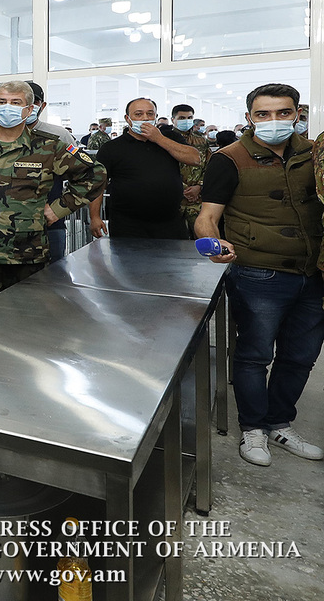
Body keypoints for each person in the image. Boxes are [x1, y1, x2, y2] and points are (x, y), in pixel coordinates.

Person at [197, 83, 324, 467]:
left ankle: (279, 423)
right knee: (254, 355)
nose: (274, 121)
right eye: (263, 114)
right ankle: (253, 427)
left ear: (297, 114)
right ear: (249, 117)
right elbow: (207, 217)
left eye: (283, 113)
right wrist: (215, 245)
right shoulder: (229, 158)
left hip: (313, 272)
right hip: (259, 275)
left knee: (300, 357)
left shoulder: (314, 154)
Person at [0, 80, 105, 306]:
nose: (7, 107)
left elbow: (95, 174)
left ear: (30, 109)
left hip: (28, 256)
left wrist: (58, 209)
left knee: (31, 316)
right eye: (2, 102)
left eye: (15, 102)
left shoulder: (49, 147)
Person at [89, 98, 200, 240]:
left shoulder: (171, 138)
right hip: (127, 224)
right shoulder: (112, 148)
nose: (145, 118)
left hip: (170, 221)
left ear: (156, 116)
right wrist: (95, 216)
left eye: (150, 114)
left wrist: (159, 139)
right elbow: (98, 183)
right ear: (128, 119)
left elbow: (194, 159)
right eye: (138, 114)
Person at [25, 81, 76, 259]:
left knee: (53, 273)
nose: (28, 106)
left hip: (49, 225)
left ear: (42, 105)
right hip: (3, 228)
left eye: (34, 101)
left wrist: (61, 207)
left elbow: (86, 175)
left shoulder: (59, 136)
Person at [171, 103, 211, 231]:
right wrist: (183, 189)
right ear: (173, 120)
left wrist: (199, 186)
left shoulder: (201, 140)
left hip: (197, 199)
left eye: (189, 118)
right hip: (174, 197)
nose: (186, 121)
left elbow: (209, 165)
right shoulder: (167, 140)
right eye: (182, 118)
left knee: (200, 233)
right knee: (174, 235)